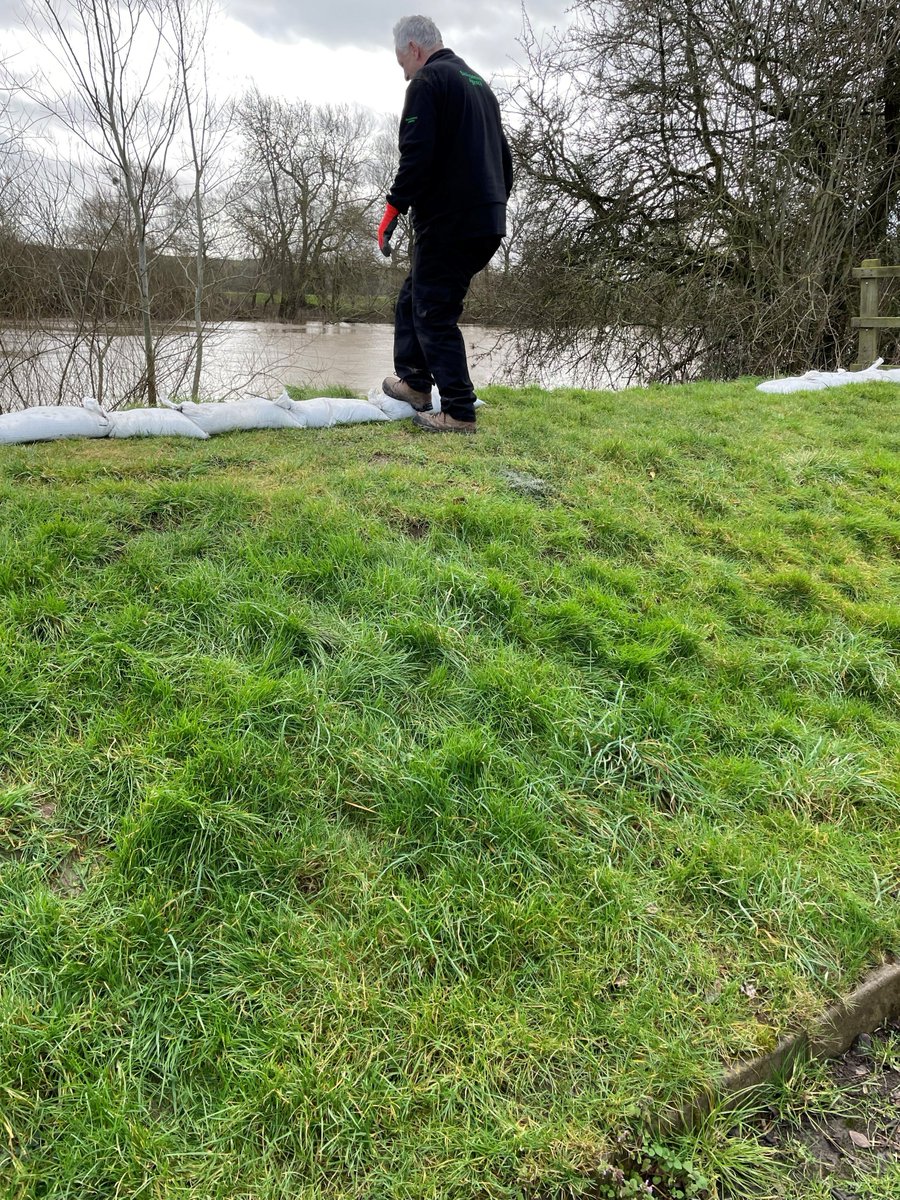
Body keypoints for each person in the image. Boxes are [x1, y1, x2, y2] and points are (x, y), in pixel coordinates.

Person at [378, 15, 513, 434]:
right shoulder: (477, 84)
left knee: (433, 311)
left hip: (451, 219)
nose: (404, 73)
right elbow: (506, 159)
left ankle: (458, 411)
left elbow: (416, 154)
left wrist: (392, 209)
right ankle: (416, 385)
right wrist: (491, 205)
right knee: (415, 296)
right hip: (486, 218)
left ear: (415, 49)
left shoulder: (428, 82)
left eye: (402, 62)